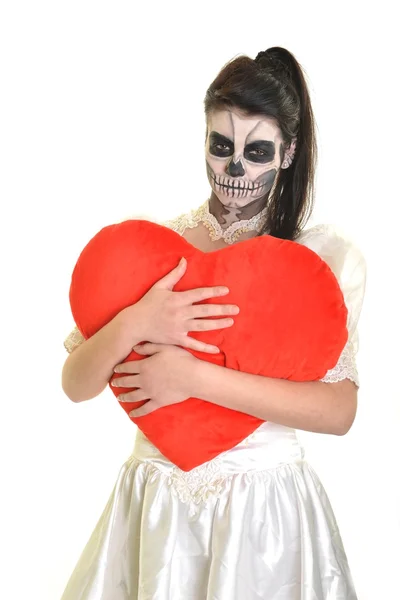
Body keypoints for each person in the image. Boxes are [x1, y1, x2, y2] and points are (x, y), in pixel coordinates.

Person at [60, 47, 366, 600]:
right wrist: (136, 320)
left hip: (265, 515)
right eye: (220, 146)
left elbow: (339, 410)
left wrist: (192, 378)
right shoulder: (155, 249)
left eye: (256, 151)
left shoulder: (319, 258)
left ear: (288, 152)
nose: (234, 169)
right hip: (156, 512)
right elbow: (76, 383)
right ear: (203, 139)